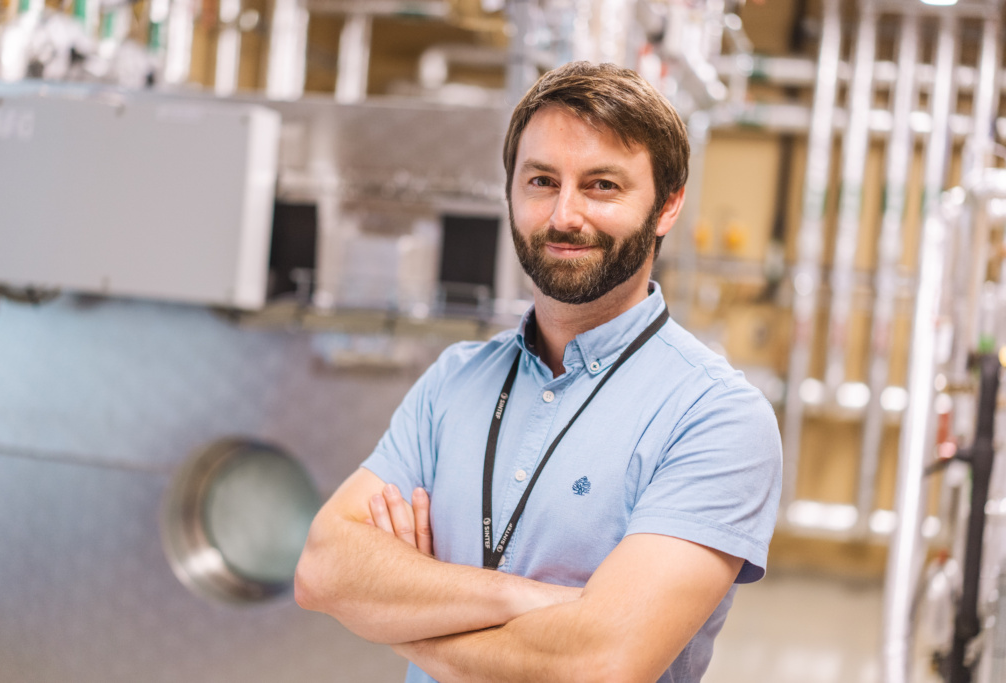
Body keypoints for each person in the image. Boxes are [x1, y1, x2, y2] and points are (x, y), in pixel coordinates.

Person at [294, 61, 782, 683]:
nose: (564, 215)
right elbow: (322, 569)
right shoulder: (457, 378)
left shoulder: (716, 417)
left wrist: (401, 614)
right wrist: (525, 600)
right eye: (542, 181)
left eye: (602, 185)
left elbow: (599, 665)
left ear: (667, 206)